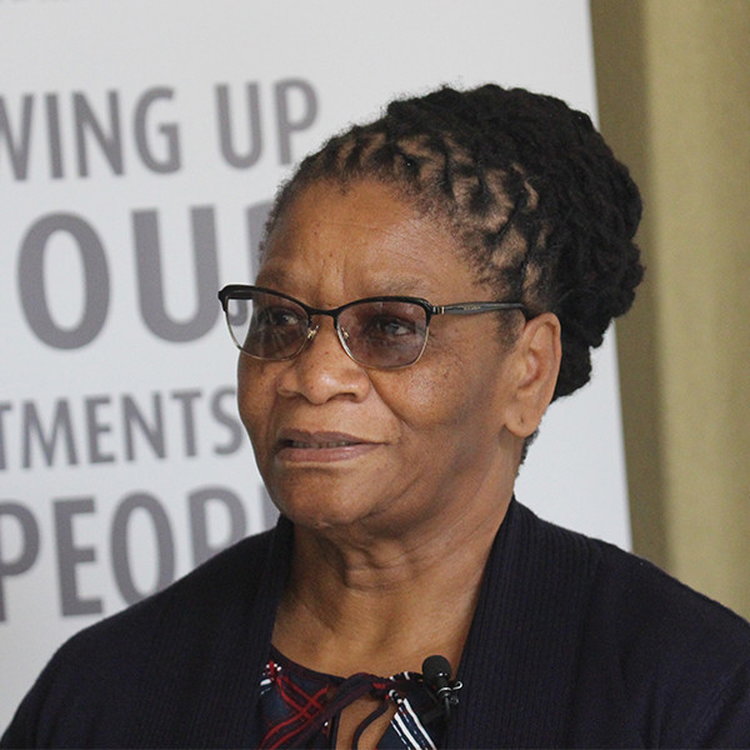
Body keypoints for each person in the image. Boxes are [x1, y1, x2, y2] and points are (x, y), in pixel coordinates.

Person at [3, 84, 750, 749]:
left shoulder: (690, 694)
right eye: (281, 318)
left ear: (527, 372)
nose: (314, 375)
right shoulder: (105, 692)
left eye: (390, 326)